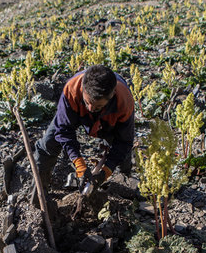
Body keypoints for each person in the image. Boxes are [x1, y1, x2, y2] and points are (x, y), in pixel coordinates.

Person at [31, 64, 135, 202]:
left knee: (122, 156)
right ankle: (39, 194)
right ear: (83, 89)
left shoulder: (124, 102)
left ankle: (123, 187)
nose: (91, 108)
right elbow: (63, 130)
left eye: (97, 106)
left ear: (111, 97)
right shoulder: (72, 89)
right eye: (88, 102)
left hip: (109, 121)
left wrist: (107, 170)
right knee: (46, 146)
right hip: (77, 111)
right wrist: (79, 164)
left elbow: (124, 142)